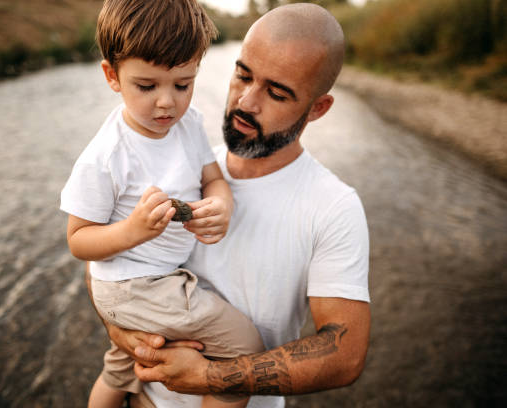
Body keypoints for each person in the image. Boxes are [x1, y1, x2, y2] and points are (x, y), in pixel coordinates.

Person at [102, 3, 371, 408]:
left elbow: (344, 355)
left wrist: (209, 377)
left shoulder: (333, 207)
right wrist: (121, 333)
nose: (246, 101)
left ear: (318, 108)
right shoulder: (178, 168)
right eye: (242, 75)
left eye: (276, 92)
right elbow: (105, 267)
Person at [60, 1, 265, 408]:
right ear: (111, 76)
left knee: (119, 369)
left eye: (182, 84)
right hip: (133, 285)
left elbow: (211, 179)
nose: (167, 103)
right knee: (245, 349)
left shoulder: (187, 125)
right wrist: (133, 231)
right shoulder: (106, 156)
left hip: (156, 277)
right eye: (147, 86)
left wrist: (220, 205)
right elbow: (78, 241)